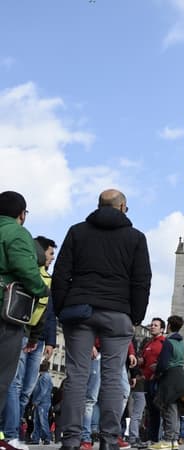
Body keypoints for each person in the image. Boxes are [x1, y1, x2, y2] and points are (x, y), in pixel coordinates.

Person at [51, 189, 150, 450]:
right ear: (122, 208)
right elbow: (142, 281)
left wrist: (62, 309)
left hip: (80, 310)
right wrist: (135, 316)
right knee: (112, 379)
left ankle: (71, 440)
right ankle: (109, 440)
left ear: (98, 206)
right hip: (118, 314)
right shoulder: (136, 237)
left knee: (76, 376)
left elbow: (61, 273)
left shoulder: (77, 231)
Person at [0, 191, 50, 450]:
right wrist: (42, 290)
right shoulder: (18, 233)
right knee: (3, 375)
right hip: (4, 313)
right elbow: (31, 265)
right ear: (21, 214)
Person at [149, 316, 184, 450]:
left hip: (170, 378)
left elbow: (163, 363)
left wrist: (156, 370)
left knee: (169, 409)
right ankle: (173, 441)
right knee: (176, 411)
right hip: (181, 377)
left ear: (168, 326)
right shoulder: (182, 343)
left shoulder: (168, 342)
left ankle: (168, 440)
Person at [140, 318, 166, 445]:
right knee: (151, 411)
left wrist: (157, 371)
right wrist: (141, 364)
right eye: (151, 325)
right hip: (148, 381)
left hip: (158, 381)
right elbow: (144, 362)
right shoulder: (148, 344)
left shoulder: (164, 343)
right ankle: (152, 438)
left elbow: (166, 361)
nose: (152, 327)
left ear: (162, 329)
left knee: (160, 410)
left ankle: (162, 438)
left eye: (155, 325)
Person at [29, 361, 53, 445]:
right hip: (41, 402)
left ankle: (47, 438)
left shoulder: (45, 377)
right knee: (37, 421)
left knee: (42, 421)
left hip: (42, 403)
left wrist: (36, 401)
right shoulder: (44, 376)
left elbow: (43, 391)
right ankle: (36, 438)